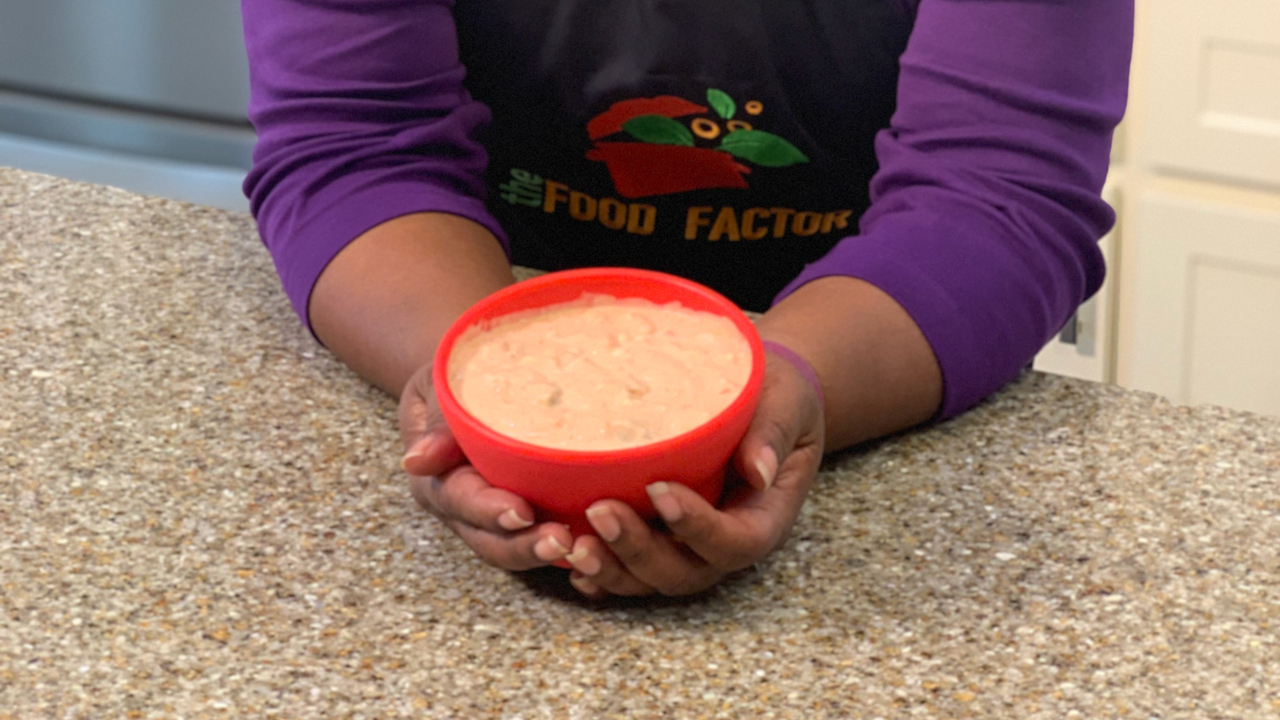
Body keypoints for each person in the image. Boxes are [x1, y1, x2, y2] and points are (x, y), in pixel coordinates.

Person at [240, 0, 1132, 598]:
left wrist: (787, 386)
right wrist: (478, 390)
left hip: (881, 346)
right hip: (476, 285)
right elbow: (356, 145)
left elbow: (996, 195)